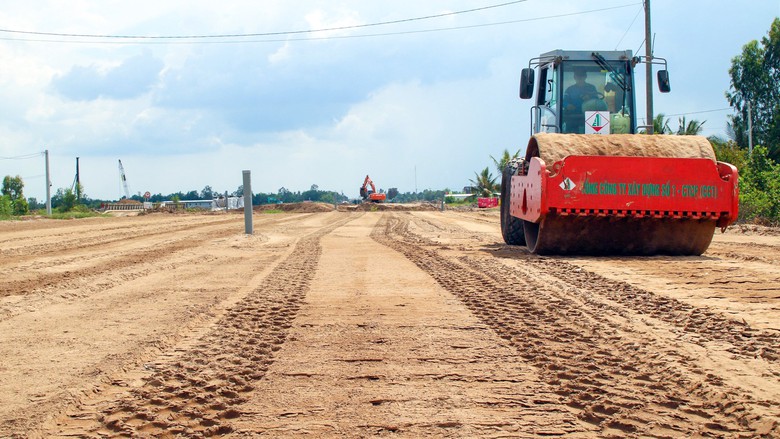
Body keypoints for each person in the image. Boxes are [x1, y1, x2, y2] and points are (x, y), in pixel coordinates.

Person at [563, 68, 602, 133]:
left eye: (582, 75)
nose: (580, 77)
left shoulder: (591, 88)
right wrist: (567, 105)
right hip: (572, 119)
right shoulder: (569, 90)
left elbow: (597, 102)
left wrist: (590, 98)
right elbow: (564, 102)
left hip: (590, 119)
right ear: (574, 77)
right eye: (578, 75)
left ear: (585, 76)